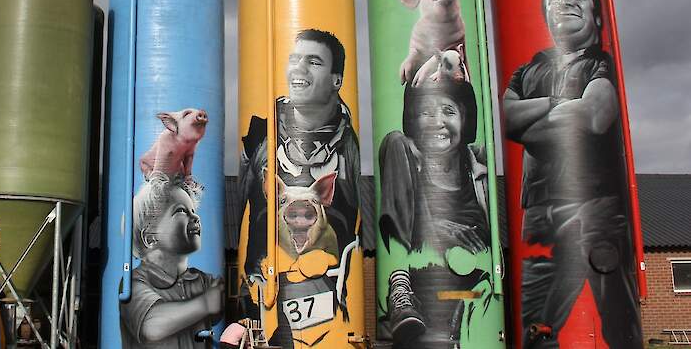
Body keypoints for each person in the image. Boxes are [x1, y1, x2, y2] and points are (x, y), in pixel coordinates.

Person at [502, 0, 641, 348]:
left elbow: (594, 116)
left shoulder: (601, 62)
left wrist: (531, 123)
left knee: (616, 321)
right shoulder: (527, 69)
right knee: (535, 325)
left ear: (597, 13)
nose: (564, 3)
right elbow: (504, 119)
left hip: (595, 206)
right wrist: (560, 103)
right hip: (539, 213)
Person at [236, 29, 361, 346]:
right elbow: (243, 217)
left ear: (336, 79)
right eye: (294, 59)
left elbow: (349, 227)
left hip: (326, 304)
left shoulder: (346, 145)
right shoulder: (262, 136)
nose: (299, 69)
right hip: (262, 298)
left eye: (314, 61)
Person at [378, 78, 491, 347]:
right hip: (418, 296)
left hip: (473, 290)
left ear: (465, 120)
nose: (437, 121)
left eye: (449, 111)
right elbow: (397, 226)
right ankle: (399, 284)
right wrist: (436, 227)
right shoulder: (403, 153)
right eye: (426, 112)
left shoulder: (481, 164)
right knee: (394, 140)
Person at [120, 174, 224, 348]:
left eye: (194, 211)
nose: (195, 217)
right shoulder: (135, 282)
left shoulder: (203, 280)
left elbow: (219, 312)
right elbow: (151, 325)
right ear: (150, 237)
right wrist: (206, 303)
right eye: (181, 211)